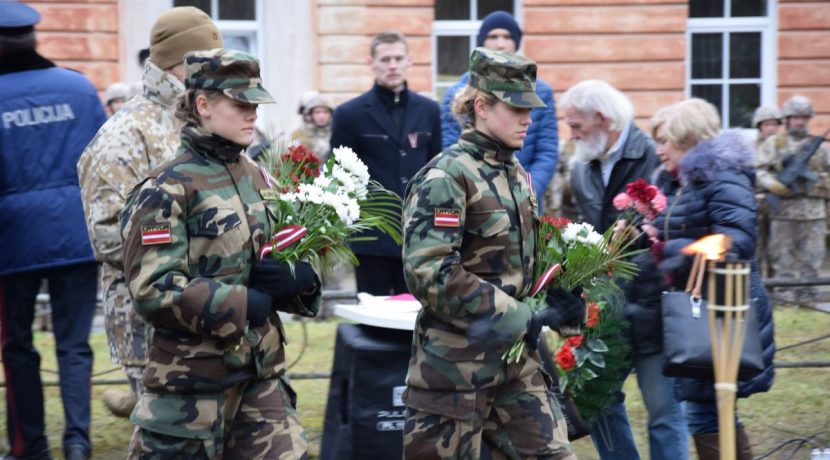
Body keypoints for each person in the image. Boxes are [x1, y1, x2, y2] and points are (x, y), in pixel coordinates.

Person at [119, 48, 321, 459]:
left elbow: (291, 247)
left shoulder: (260, 178)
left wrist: (300, 278)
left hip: (261, 378)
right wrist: (243, 304)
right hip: (191, 391)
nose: (253, 115)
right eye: (240, 104)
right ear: (203, 105)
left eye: (256, 104)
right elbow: (153, 289)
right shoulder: (165, 189)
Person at [401, 47, 580, 459]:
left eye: (530, 109)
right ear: (480, 106)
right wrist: (520, 315)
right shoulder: (447, 176)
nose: (528, 119)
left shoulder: (516, 175)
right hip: (454, 376)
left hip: (517, 367)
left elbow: (522, 265)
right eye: (516, 108)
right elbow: (430, 271)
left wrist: (561, 298)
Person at [77, 5, 223, 421]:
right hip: (151, 321)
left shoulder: (205, 120)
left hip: (207, 309)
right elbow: (107, 236)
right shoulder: (125, 135)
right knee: (167, 435)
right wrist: (198, 246)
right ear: (181, 64)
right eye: (210, 63)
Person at [0, 3, 107, 460]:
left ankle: (32, 446)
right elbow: (103, 160)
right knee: (74, 344)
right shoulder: (79, 89)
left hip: (12, 242)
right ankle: (78, 441)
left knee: (18, 346)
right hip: (75, 235)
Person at [561, 80, 687, 460]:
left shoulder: (655, 158)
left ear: (602, 119)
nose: (572, 134)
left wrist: (627, 269)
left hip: (652, 305)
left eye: (576, 125)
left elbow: (672, 234)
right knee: (597, 401)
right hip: (603, 310)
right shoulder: (581, 166)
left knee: (663, 410)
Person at [650, 98, 775, 459]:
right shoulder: (682, 182)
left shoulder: (722, 175)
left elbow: (738, 239)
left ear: (687, 139)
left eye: (665, 140)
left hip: (724, 310)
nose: (658, 149)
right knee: (708, 410)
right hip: (702, 309)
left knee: (707, 411)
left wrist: (683, 250)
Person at [330, 31, 441, 295]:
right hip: (372, 237)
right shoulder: (349, 114)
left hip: (417, 235)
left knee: (415, 316)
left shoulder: (429, 110)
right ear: (372, 63)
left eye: (398, 58)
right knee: (373, 318)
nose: (392, 65)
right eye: (385, 59)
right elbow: (339, 175)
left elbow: (438, 170)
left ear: (409, 61)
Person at [440, 11, 559, 204]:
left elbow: (547, 150)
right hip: (474, 196)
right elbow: (450, 146)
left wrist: (525, 192)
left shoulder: (540, 91)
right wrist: (484, 194)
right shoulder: (457, 92)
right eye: (493, 37)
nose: (501, 43)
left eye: (507, 37)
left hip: (526, 197)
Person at [756, 95, 830, 305]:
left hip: (813, 214)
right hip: (784, 213)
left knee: (812, 259)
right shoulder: (774, 144)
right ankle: (784, 300)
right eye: (795, 117)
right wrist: (775, 186)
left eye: (804, 117)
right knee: (783, 261)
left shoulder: (819, 147)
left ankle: (808, 300)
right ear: (787, 119)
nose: (800, 122)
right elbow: (759, 170)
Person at [749, 105, 782, 277]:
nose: (771, 129)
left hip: (780, 205)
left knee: (777, 247)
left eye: (774, 124)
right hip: (756, 202)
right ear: (760, 126)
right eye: (766, 124)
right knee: (757, 246)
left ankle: (777, 285)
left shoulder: (784, 148)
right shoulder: (751, 149)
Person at [291, 91, 334, 161]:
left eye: (325, 112)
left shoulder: (337, 131)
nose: (321, 116)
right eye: (317, 112)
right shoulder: (298, 135)